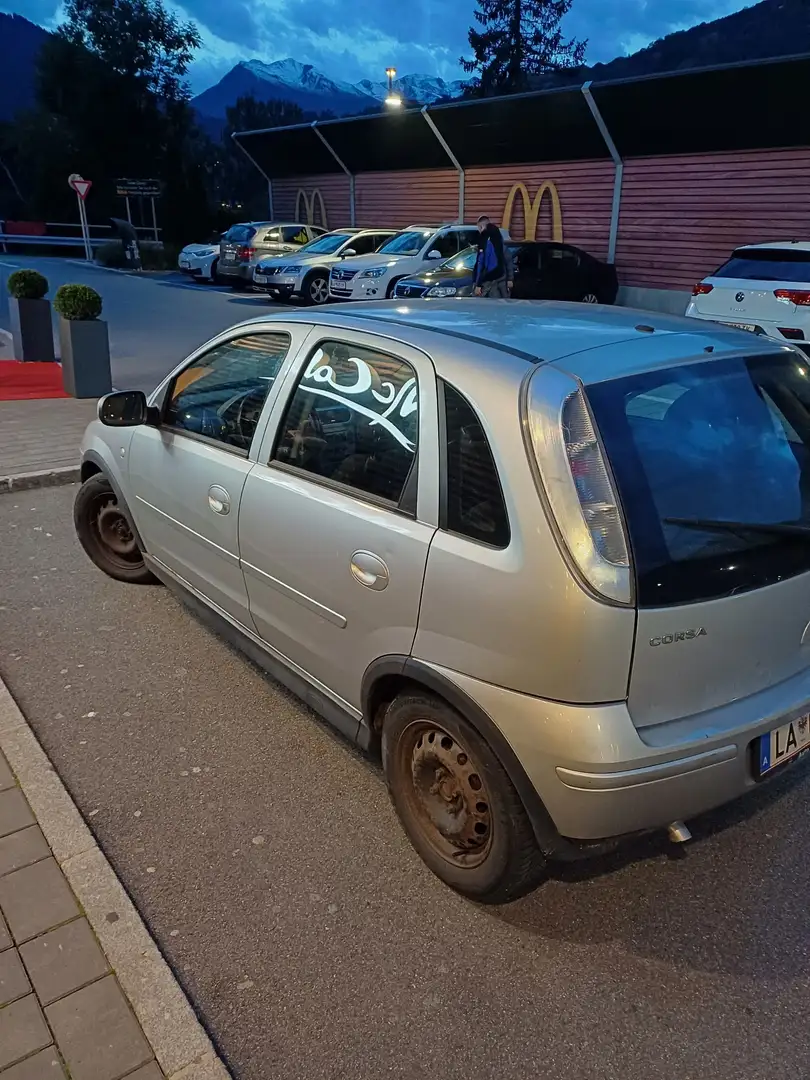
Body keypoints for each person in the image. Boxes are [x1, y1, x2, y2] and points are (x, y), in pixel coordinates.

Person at [473, 215, 510, 298]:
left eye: (478, 228)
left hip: (488, 278)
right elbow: (505, 258)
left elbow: (481, 263)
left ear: (481, 226)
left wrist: (478, 283)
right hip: (500, 275)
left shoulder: (485, 239)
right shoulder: (497, 237)